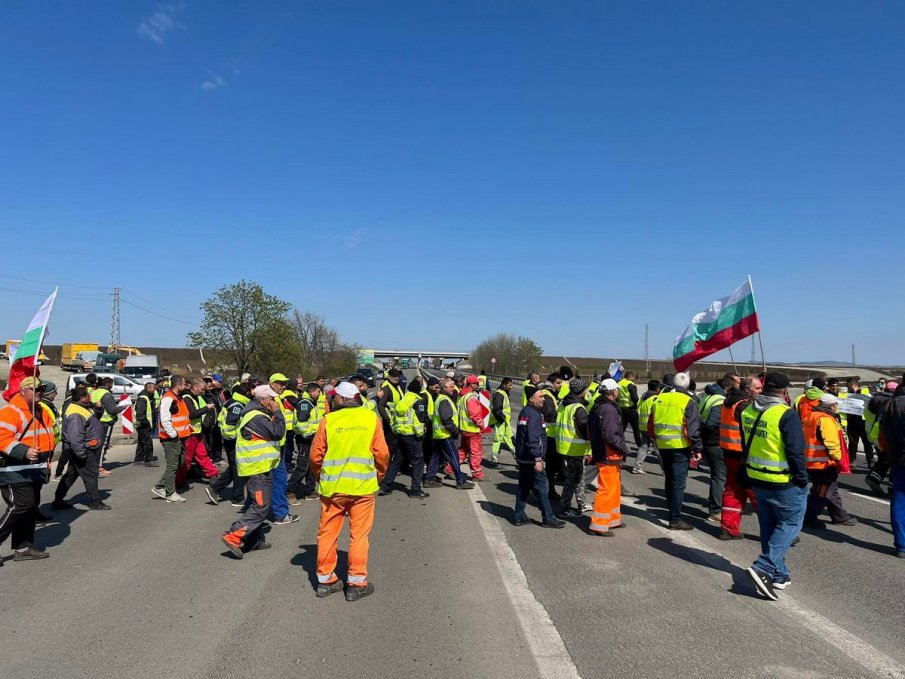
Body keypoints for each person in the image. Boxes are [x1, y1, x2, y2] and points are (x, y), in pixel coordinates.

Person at [310, 382, 390, 600]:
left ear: (343, 399)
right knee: (359, 536)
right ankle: (356, 584)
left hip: (333, 489)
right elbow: (382, 454)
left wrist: (320, 477)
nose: (332, 399)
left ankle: (326, 581)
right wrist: (378, 476)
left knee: (327, 533)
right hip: (362, 489)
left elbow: (315, 456)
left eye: (335, 397)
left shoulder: (329, 421)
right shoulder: (370, 419)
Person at [742, 372, 809, 600]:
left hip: (756, 476)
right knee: (790, 524)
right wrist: (802, 478)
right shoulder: (785, 413)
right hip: (782, 480)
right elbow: (795, 451)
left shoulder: (748, 410)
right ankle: (764, 567)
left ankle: (779, 574)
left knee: (769, 527)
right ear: (784, 390)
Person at [221, 385, 286, 558]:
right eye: (271, 399)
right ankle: (233, 535)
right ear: (263, 400)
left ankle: (253, 540)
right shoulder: (256, 416)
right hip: (257, 469)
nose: (274, 402)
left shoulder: (257, 414)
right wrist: (278, 413)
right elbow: (277, 432)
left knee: (254, 503)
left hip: (260, 466)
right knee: (261, 507)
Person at [0, 376, 54, 561]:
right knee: (21, 505)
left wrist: (46, 465)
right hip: (14, 471)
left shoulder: (41, 411)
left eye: (41, 389)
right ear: (22, 391)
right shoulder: (10, 411)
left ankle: (23, 548)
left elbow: (46, 437)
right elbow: (2, 437)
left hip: (34, 470)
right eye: (35, 389)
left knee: (30, 508)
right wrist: (23, 451)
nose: (39, 392)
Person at [648, 372, 703, 529]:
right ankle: (675, 518)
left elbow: (651, 422)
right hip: (680, 446)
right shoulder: (688, 401)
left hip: (662, 445)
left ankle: (672, 510)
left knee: (669, 479)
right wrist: (697, 448)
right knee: (678, 483)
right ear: (687, 386)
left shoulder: (660, 398)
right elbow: (693, 429)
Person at [513, 386, 564, 528]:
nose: (543, 399)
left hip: (523, 457)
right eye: (540, 397)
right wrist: (538, 458)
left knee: (523, 487)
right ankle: (548, 518)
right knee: (542, 487)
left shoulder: (525, 411)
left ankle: (519, 515)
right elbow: (533, 439)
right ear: (531, 399)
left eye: (543, 396)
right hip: (531, 458)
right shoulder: (534, 415)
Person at [802, 394, 855, 529]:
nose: (837, 407)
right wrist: (838, 459)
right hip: (825, 462)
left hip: (811, 460)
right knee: (822, 491)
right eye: (836, 405)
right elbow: (831, 442)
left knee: (831, 488)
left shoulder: (810, 415)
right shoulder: (825, 419)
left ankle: (840, 517)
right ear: (831, 406)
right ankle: (809, 517)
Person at [53, 385, 110, 511]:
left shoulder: (83, 408)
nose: (91, 397)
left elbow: (94, 420)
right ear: (82, 398)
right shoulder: (75, 413)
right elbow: (75, 435)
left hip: (83, 448)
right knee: (91, 475)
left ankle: (58, 500)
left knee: (71, 475)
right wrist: (81, 452)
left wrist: (99, 409)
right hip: (84, 449)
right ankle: (95, 501)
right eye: (88, 395)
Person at [719, 377, 760, 540]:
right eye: (757, 388)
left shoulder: (728, 401)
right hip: (743, 454)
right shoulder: (745, 405)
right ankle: (776, 530)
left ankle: (728, 529)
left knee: (733, 490)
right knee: (757, 493)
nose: (760, 391)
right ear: (747, 389)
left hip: (729, 452)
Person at [587, 378, 629, 535]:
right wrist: (624, 448)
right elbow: (611, 435)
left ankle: (612, 519)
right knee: (606, 489)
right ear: (613, 392)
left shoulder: (598, 406)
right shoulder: (608, 409)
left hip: (605, 452)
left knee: (613, 488)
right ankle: (598, 525)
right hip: (608, 454)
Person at [380, 377, 429, 498]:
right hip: (413, 437)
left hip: (400, 435)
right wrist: (421, 433)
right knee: (418, 462)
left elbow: (395, 419)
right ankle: (415, 489)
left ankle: (386, 485)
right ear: (419, 390)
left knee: (397, 460)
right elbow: (420, 420)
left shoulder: (401, 402)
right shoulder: (418, 402)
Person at [423, 378, 474, 490]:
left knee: (435, 457)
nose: (453, 389)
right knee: (454, 458)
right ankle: (460, 481)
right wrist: (455, 431)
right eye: (451, 387)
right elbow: (446, 419)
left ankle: (429, 479)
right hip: (445, 435)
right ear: (444, 388)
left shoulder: (441, 398)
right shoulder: (444, 400)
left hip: (438, 434)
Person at [207, 382, 252, 507]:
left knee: (234, 467)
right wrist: (234, 437)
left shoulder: (233, 401)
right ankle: (237, 497)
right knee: (237, 468)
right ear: (247, 393)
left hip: (231, 440)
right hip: (233, 440)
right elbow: (230, 424)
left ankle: (215, 489)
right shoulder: (237, 405)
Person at [151, 376, 193, 503]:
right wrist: (173, 434)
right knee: (173, 465)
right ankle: (170, 492)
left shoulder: (177, 398)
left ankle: (159, 486)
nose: (186, 386)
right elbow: (165, 419)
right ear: (178, 384)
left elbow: (180, 416)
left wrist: (187, 427)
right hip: (171, 438)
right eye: (184, 384)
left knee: (179, 462)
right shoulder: (169, 398)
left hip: (179, 436)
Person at [555, 378, 591, 517]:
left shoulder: (565, 403)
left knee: (576, 478)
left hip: (565, 446)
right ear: (581, 391)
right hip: (575, 449)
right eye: (585, 389)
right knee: (573, 479)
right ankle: (564, 509)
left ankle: (580, 503)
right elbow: (584, 431)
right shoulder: (578, 408)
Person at [267, 373, 299, 525]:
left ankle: (256, 513)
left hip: (279, 443)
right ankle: (280, 514)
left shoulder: (278, 398)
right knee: (278, 480)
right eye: (280, 383)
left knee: (269, 482)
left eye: (284, 383)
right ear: (271, 383)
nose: (283, 386)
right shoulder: (269, 400)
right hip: (271, 447)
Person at [879, 388, 905, 558]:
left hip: (899, 459)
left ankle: (902, 545)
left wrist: (891, 453)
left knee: (900, 500)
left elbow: (882, 434)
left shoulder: (891, 404)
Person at [179, 379, 219, 485]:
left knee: (203, 455)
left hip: (196, 432)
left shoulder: (193, 397)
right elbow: (192, 414)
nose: (202, 391)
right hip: (190, 433)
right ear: (195, 387)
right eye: (201, 389)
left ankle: (213, 474)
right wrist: (207, 408)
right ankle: (179, 480)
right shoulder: (187, 398)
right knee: (187, 459)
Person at [287, 383, 322, 504]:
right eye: (318, 391)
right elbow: (302, 423)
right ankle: (290, 491)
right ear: (311, 392)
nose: (320, 394)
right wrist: (309, 434)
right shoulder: (305, 404)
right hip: (305, 439)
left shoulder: (311, 403)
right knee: (302, 466)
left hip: (312, 438)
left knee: (311, 465)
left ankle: (310, 490)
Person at [699, 378, 728, 522]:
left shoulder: (707, 396)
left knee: (716, 476)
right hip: (715, 441)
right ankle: (715, 510)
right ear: (727, 388)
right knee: (719, 477)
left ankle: (714, 503)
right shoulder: (720, 400)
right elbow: (711, 423)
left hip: (707, 441)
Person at [90, 376, 129, 476]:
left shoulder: (94, 392)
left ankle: (93, 466)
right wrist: (123, 406)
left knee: (95, 444)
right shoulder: (106, 394)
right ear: (108, 384)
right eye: (111, 384)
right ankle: (99, 468)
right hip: (105, 422)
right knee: (102, 445)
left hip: (95, 421)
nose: (112, 386)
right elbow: (112, 410)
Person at [865, 381, 898, 496]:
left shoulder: (874, 400)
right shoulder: (892, 402)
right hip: (885, 436)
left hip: (873, 435)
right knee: (895, 461)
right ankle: (893, 487)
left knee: (884, 459)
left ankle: (874, 478)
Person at [457, 375, 485, 482]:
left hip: (464, 429)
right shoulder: (471, 398)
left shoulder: (463, 396)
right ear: (471, 384)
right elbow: (475, 415)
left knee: (463, 451)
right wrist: (481, 425)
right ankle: (477, 475)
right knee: (475, 453)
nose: (478, 385)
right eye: (476, 383)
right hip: (472, 430)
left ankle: (450, 468)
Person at [540, 374, 563, 502]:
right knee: (550, 467)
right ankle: (549, 492)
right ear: (551, 382)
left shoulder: (549, 394)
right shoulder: (548, 395)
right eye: (558, 383)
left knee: (551, 467)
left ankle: (549, 491)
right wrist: (561, 414)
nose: (561, 385)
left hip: (550, 434)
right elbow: (549, 415)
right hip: (548, 435)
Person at [632, 380, 661, 474]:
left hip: (642, 425)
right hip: (651, 426)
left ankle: (637, 465)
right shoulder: (655, 399)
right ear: (657, 388)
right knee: (658, 450)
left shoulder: (642, 397)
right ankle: (666, 470)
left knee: (643, 447)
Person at [845, 378, 873, 468]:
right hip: (852, 421)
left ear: (852, 385)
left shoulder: (865, 391)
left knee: (867, 442)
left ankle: (870, 461)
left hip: (864, 420)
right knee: (853, 442)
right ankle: (852, 460)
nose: (847, 388)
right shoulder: (846, 394)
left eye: (848, 385)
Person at [488, 377, 514, 468]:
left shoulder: (503, 393)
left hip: (504, 422)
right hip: (500, 421)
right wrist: (502, 419)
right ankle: (494, 461)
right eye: (510, 385)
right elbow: (497, 409)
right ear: (504, 385)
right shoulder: (499, 394)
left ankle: (518, 458)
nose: (511, 387)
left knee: (510, 439)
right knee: (498, 440)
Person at [134, 381, 158, 467]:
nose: (155, 390)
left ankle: (138, 460)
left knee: (141, 442)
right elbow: (140, 414)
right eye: (153, 388)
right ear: (148, 388)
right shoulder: (143, 398)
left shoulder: (148, 397)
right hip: (142, 424)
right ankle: (149, 460)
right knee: (148, 442)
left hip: (143, 424)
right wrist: (147, 424)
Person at [617, 371, 642, 449]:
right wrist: (637, 405)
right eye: (633, 377)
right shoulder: (631, 384)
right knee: (636, 429)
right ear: (630, 377)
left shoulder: (619, 383)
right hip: (631, 409)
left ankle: (618, 444)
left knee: (622, 428)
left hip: (622, 408)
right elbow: (634, 398)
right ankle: (640, 446)